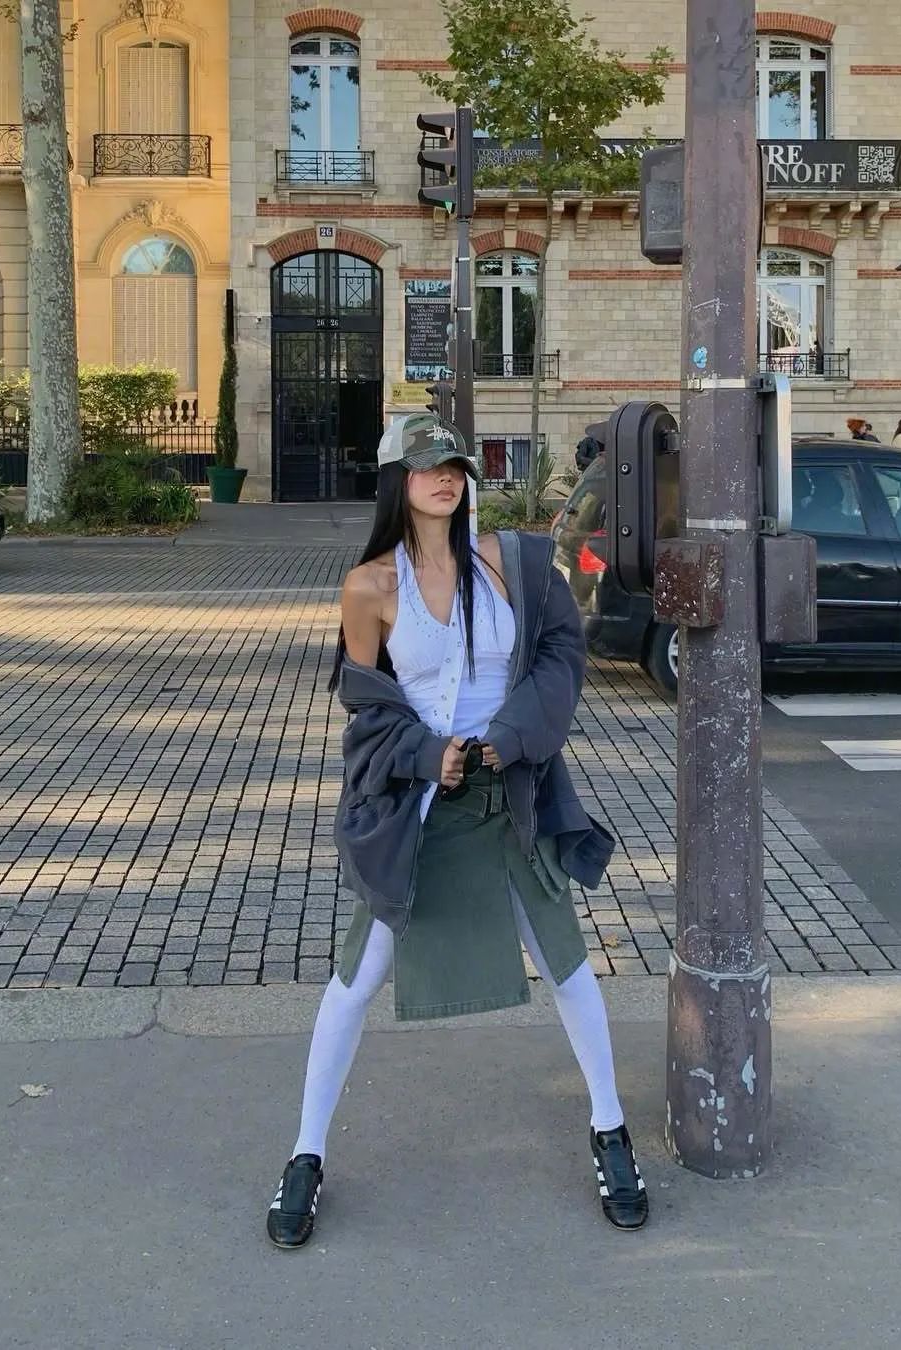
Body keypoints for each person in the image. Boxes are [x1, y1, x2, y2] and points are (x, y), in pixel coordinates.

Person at [266, 411, 649, 1251]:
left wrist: (508, 737)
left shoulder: (510, 561)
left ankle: (610, 1129)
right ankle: (305, 1153)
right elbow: (368, 710)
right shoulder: (369, 587)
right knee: (356, 978)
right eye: (428, 466)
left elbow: (562, 653)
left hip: (509, 794)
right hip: (422, 808)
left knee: (567, 963)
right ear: (397, 481)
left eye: (456, 467)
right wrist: (424, 754)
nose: (446, 478)